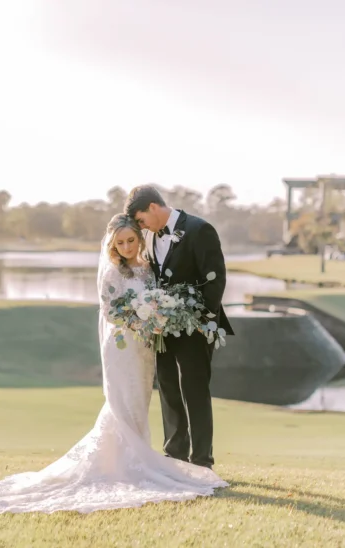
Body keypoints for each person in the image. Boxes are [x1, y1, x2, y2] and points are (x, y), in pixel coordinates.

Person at [0, 214, 227, 514]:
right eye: (120, 242)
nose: (126, 246)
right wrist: (141, 320)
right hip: (122, 347)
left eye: (131, 240)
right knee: (121, 404)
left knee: (139, 404)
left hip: (145, 349)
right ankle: (124, 464)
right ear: (112, 245)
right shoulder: (113, 272)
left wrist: (156, 318)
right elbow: (110, 312)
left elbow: (157, 297)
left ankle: (134, 459)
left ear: (139, 239)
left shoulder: (147, 268)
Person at [125, 185, 234, 470]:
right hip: (162, 328)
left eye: (140, 220)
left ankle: (201, 461)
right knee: (169, 387)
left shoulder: (200, 229)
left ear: (152, 207)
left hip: (195, 327)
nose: (140, 227)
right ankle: (174, 454)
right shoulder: (149, 237)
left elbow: (216, 279)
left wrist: (202, 320)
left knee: (194, 390)